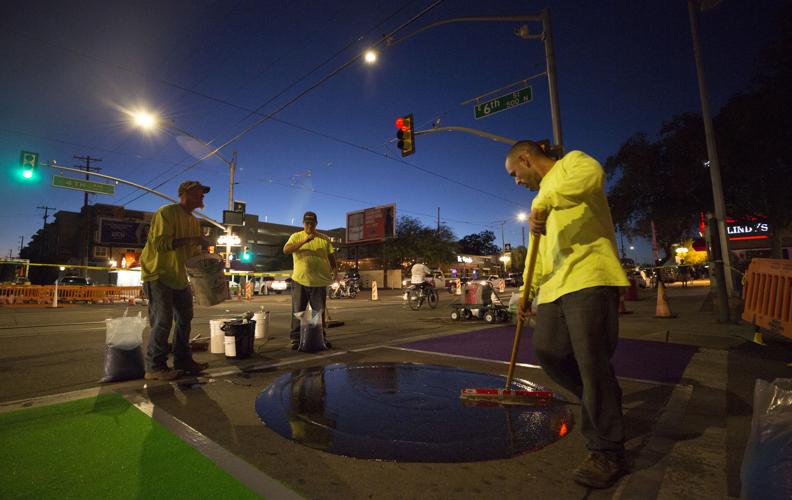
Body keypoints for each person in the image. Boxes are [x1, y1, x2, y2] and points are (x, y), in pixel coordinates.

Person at [505, 141, 630, 489]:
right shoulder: (538, 201)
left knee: (592, 363)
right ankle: (602, 400)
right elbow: (540, 252)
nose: (516, 181)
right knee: (549, 352)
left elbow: (591, 179)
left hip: (590, 277)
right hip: (554, 288)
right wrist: (528, 293)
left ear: (527, 159)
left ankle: (607, 449)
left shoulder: (574, 164)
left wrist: (544, 201)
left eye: (515, 174)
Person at [140, 181, 211, 381]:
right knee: (162, 321)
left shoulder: (194, 221)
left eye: (203, 194)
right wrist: (193, 240)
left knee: (185, 318)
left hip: (179, 277)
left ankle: (183, 360)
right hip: (158, 273)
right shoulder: (167, 212)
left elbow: (192, 255)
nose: (202, 197)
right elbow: (160, 244)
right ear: (185, 193)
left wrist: (207, 258)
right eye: (199, 192)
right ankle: (154, 366)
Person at [284, 211, 336, 350]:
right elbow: (286, 250)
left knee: (318, 313)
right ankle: (296, 339)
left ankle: (319, 338)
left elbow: (331, 256)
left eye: (312, 222)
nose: (309, 225)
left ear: (316, 223)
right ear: (303, 223)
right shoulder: (296, 236)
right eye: (307, 222)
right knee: (298, 311)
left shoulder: (324, 238)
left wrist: (335, 270)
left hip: (319, 282)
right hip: (300, 280)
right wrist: (304, 241)